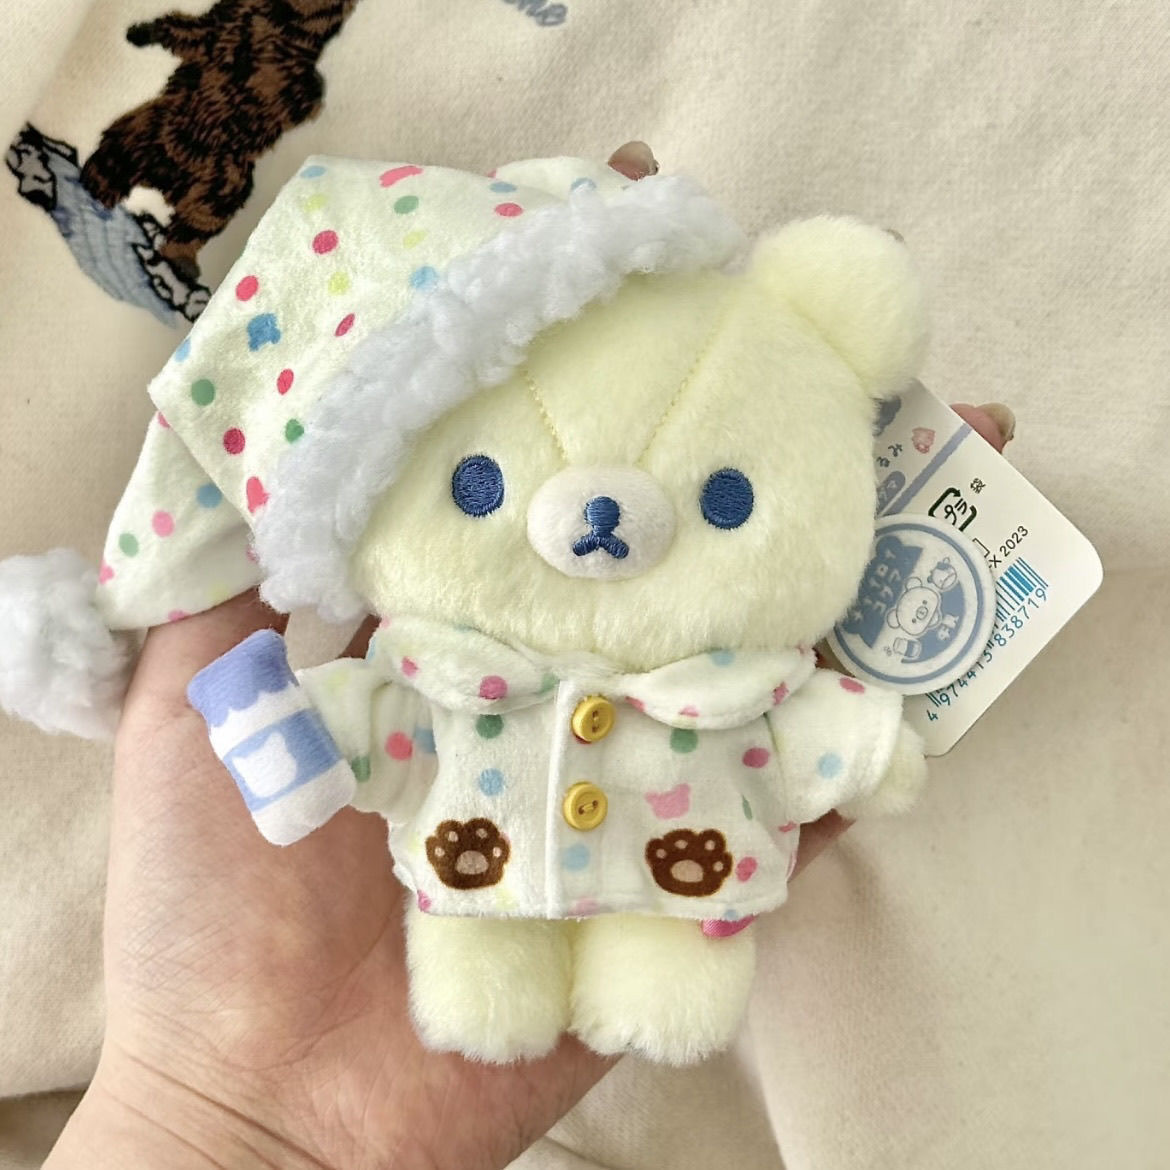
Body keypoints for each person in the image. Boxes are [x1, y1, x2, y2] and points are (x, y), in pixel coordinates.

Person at [41, 166, 1011, 1164]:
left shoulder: (736, 690)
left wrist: (866, 744)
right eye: (478, 485)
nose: (599, 520)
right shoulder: (438, 683)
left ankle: (652, 972)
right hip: (474, 878)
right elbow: (367, 730)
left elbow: (804, 733)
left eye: (726, 498)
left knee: (673, 964)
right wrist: (279, 734)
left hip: (689, 881)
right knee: (481, 968)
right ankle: (489, 974)